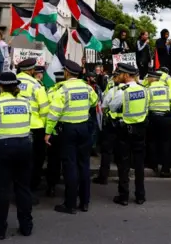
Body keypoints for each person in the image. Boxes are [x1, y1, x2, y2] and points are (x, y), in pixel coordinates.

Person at [0, 72, 33, 240]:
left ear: (0, 86)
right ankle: (26, 226)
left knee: (2, 190)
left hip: (2, 148)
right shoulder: (26, 103)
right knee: (23, 188)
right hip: (24, 146)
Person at [45, 60, 98, 214]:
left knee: (70, 166)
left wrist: (48, 132)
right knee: (84, 165)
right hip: (84, 128)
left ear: (66, 73)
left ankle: (70, 204)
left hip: (68, 130)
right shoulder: (87, 87)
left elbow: (54, 113)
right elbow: (94, 101)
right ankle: (85, 202)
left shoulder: (63, 90)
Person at [104, 63, 149, 206]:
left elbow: (111, 106)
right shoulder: (144, 90)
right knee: (139, 164)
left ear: (125, 75)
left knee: (124, 164)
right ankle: (140, 195)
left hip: (125, 130)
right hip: (140, 129)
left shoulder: (122, 91)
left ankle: (123, 196)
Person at [16, 58, 50, 192]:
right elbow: (45, 109)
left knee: (19, 159)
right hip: (35, 127)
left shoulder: (13, 81)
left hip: (16, 125)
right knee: (36, 158)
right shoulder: (36, 85)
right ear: (31, 70)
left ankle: (19, 184)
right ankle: (32, 186)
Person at [145, 71, 171, 177]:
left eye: (148, 78)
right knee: (165, 144)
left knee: (152, 142)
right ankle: (165, 169)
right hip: (166, 119)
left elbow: (145, 106)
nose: (147, 80)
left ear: (152, 79)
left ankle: (153, 165)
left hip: (153, 118)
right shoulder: (167, 89)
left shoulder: (148, 90)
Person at [92, 71, 121, 185]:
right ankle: (123, 176)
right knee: (122, 153)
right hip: (125, 124)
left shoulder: (112, 90)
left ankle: (103, 177)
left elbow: (103, 106)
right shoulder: (133, 90)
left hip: (111, 124)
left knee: (107, 151)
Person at [45, 71, 65, 197]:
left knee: (53, 160)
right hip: (69, 129)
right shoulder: (70, 91)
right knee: (70, 160)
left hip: (54, 130)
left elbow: (49, 113)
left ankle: (51, 186)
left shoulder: (50, 92)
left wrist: (47, 131)